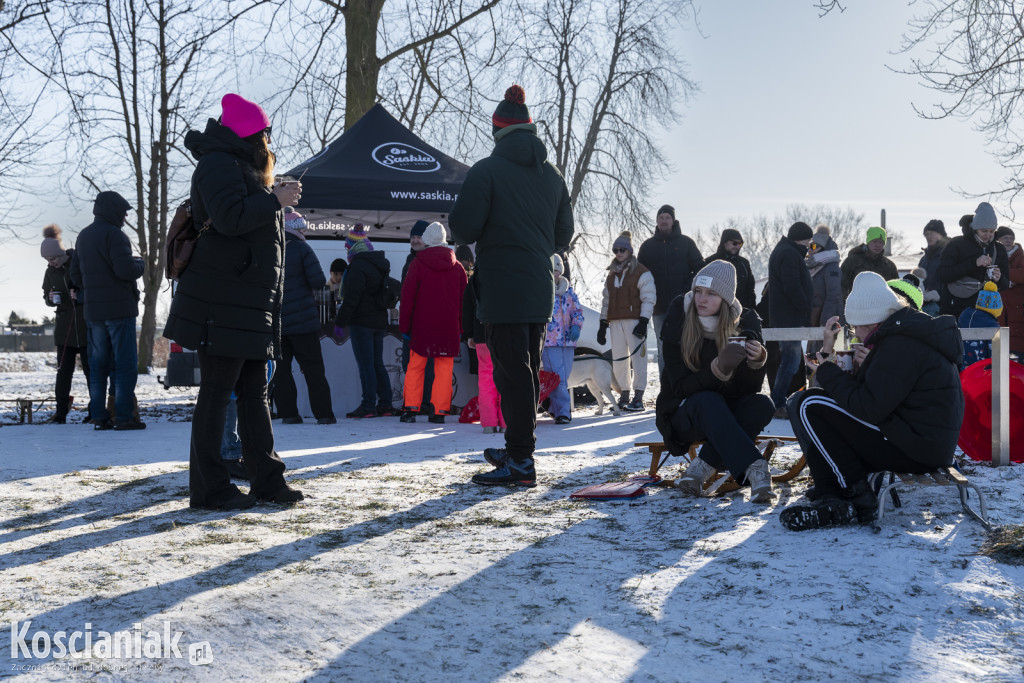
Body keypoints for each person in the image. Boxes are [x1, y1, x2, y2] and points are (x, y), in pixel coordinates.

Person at [163, 92, 303, 510]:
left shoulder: (235, 164)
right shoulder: (217, 163)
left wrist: (269, 197)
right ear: (250, 135)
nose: (268, 142)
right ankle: (210, 488)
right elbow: (229, 219)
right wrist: (273, 200)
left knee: (253, 392)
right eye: (264, 134)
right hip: (221, 301)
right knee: (218, 392)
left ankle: (267, 480)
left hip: (245, 302)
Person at [449, 84, 574, 488]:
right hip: (538, 288)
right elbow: (563, 234)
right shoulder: (552, 174)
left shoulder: (486, 171)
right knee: (525, 374)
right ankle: (518, 447)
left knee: (512, 375)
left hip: (501, 287)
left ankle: (520, 461)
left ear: (497, 131)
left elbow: (463, 228)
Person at [780, 272, 964, 530]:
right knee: (808, 403)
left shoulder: (900, 344)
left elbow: (867, 407)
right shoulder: (904, 336)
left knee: (809, 404)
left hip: (917, 448)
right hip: (919, 440)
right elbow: (877, 397)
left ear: (870, 322)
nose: (855, 333)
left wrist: (828, 371)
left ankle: (856, 496)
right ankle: (830, 494)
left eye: (855, 326)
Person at [654, 260, 775, 503]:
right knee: (707, 400)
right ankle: (757, 470)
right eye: (698, 291)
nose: (702, 299)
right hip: (682, 415)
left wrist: (756, 362)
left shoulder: (739, 326)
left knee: (763, 404)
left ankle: (700, 469)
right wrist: (717, 369)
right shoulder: (678, 321)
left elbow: (748, 391)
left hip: (723, 414)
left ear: (725, 299)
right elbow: (679, 388)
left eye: (711, 293)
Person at [69, 190, 146, 431]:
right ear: (114, 212)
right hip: (120, 309)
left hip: (93, 312)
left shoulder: (83, 237)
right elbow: (125, 270)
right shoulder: (116, 236)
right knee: (125, 365)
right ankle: (123, 417)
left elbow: (75, 276)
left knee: (98, 365)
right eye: (123, 213)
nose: (125, 218)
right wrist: (139, 264)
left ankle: (99, 416)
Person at [399, 222, 467, 424]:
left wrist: (405, 326)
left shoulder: (417, 264)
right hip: (448, 329)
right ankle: (439, 411)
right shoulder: (458, 268)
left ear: (428, 240)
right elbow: (465, 302)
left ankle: (410, 408)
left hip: (421, 327)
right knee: (444, 370)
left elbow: (407, 297)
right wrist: (461, 328)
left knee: (415, 367)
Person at [274, 208, 335, 425]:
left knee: (281, 371)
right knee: (313, 370)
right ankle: (324, 415)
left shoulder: (271, 249)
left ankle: (289, 414)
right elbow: (319, 282)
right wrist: (329, 315)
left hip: (277, 324)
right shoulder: (302, 249)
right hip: (304, 324)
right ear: (296, 229)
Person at [637, 204, 703, 375]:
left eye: (667, 217)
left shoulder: (686, 243)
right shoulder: (647, 246)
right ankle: (667, 388)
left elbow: (699, 268)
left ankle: (686, 384)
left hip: (684, 305)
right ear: (657, 221)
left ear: (673, 221)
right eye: (661, 218)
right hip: (658, 307)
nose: (664, 221)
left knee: (685, 343)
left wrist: (687, 289)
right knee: (662, 346)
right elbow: (639, 274)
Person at [336, 225, 394, 418]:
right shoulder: (379, 264)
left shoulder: (358, 266)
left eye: (347, 248)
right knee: (377, 363)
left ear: (353, 248)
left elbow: (352, 297)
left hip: (362, 322)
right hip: (379, 321)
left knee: (366, 364)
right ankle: (385, 404)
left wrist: (339, 322)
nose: (346, 251)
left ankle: (368, 405)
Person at [598, 230, 656, 411]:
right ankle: (624, 393)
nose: (619, 253)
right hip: (616, 321)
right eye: (616, 250)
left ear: (630, 251)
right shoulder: (611, 276)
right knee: (619, 359)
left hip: (635, 320)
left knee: (638, 358)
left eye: (622, 249)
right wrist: (602, 324)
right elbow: (606, 301)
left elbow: (649, 297)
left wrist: (644, 321)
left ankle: (638, 396)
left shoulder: (641, 272)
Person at [40, 224, 90, 424]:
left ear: (62, 254)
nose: (50, 263)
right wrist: (51, 298)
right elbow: (45, 295)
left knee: (90, 371)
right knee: (63, 372)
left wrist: (79, 295)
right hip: (64, 330)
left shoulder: (78, 264)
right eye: (47, 260)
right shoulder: (49, 272)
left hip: (86, 327)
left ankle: (95, 411)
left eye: (52, 258)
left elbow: (90, 287)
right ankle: (61, 412)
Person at [766, 221, 814, 418]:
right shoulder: (789, 253)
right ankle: (777, 402)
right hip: (788, 318)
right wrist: (805, 308)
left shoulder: (785, 250)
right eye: (809, 243)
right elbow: (792, 285)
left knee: (789, 360)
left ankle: (778, 401)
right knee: (791, 361)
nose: (809, 247)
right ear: (802, 238)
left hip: (785, 316)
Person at [937, 202, 1009, 317]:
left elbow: (1005, 285)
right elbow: (943, 274)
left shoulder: (999, 248)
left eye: (991, 231)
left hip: (985, 309)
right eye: (984, 231)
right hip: (955, 308)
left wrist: (999, 278)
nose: (988, 235)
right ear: (975, 229)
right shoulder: (956, 244)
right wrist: (974, 263)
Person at [462, 252, 505, 434]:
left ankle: (488, 423)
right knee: (505, 377)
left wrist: (470, 334)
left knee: (486, 379)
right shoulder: (505, 278)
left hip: (481, 334)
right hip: (504, 334)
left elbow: (467, 310)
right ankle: (505, 422)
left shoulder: (474, 281)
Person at [543, 253, 584, 424]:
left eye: (557, 269)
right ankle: (564, 412)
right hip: (550, 341)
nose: (555, 273)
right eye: (551, 270)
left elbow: (578, 312)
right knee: (557, 377)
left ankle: (554, 407)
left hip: (568, 342)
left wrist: (576, 326)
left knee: (563, 377)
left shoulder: (569, 292)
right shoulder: (543, 290)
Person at [806, 225, 842, 354]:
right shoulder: (814, 266)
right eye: (810, 245)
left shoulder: (831, 267)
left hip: (826, 319)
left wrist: (825, 322)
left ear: (823, 247)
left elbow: (834, 295)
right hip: (814, 317)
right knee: (812, 353)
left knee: (822, 353)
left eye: (814, 246)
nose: (810, 249)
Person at [701, 228, 756, 309]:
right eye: (734, 243)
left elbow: (750, 290)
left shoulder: (744, 263)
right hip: (717, 312)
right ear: (724, 243)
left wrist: (752, 311)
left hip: (741, 314)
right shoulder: (709, 263)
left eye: (740, 244)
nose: (737, 246)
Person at [840, 226, 899, 300]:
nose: (877, 245)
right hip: (856, 306)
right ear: (868, 242)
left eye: (881, 242)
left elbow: (895, 290)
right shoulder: (853, 261)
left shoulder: (889, 266)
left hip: (881, 307)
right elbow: (841, 286)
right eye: (874, 241)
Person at [995, 226, 1024, 356]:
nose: (1008, 240)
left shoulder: (1020, 257)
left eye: (1011, 238)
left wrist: (1003, 275)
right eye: (1005, 237)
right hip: (999, 311)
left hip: (1017, 310)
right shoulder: (993, 255)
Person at [959, 282, 1003, 366]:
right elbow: (995, 355)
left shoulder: (964, 317)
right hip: (983, 372)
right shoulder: (993, 327)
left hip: (963, 371)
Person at [918, 219, 948, 317]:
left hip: (945, 306)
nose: (929, 236)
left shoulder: (949, 254)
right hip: (925, 306)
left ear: (941, 234)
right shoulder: (924, 259)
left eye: (932, 233)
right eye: (926, 234)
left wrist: (937, 293)